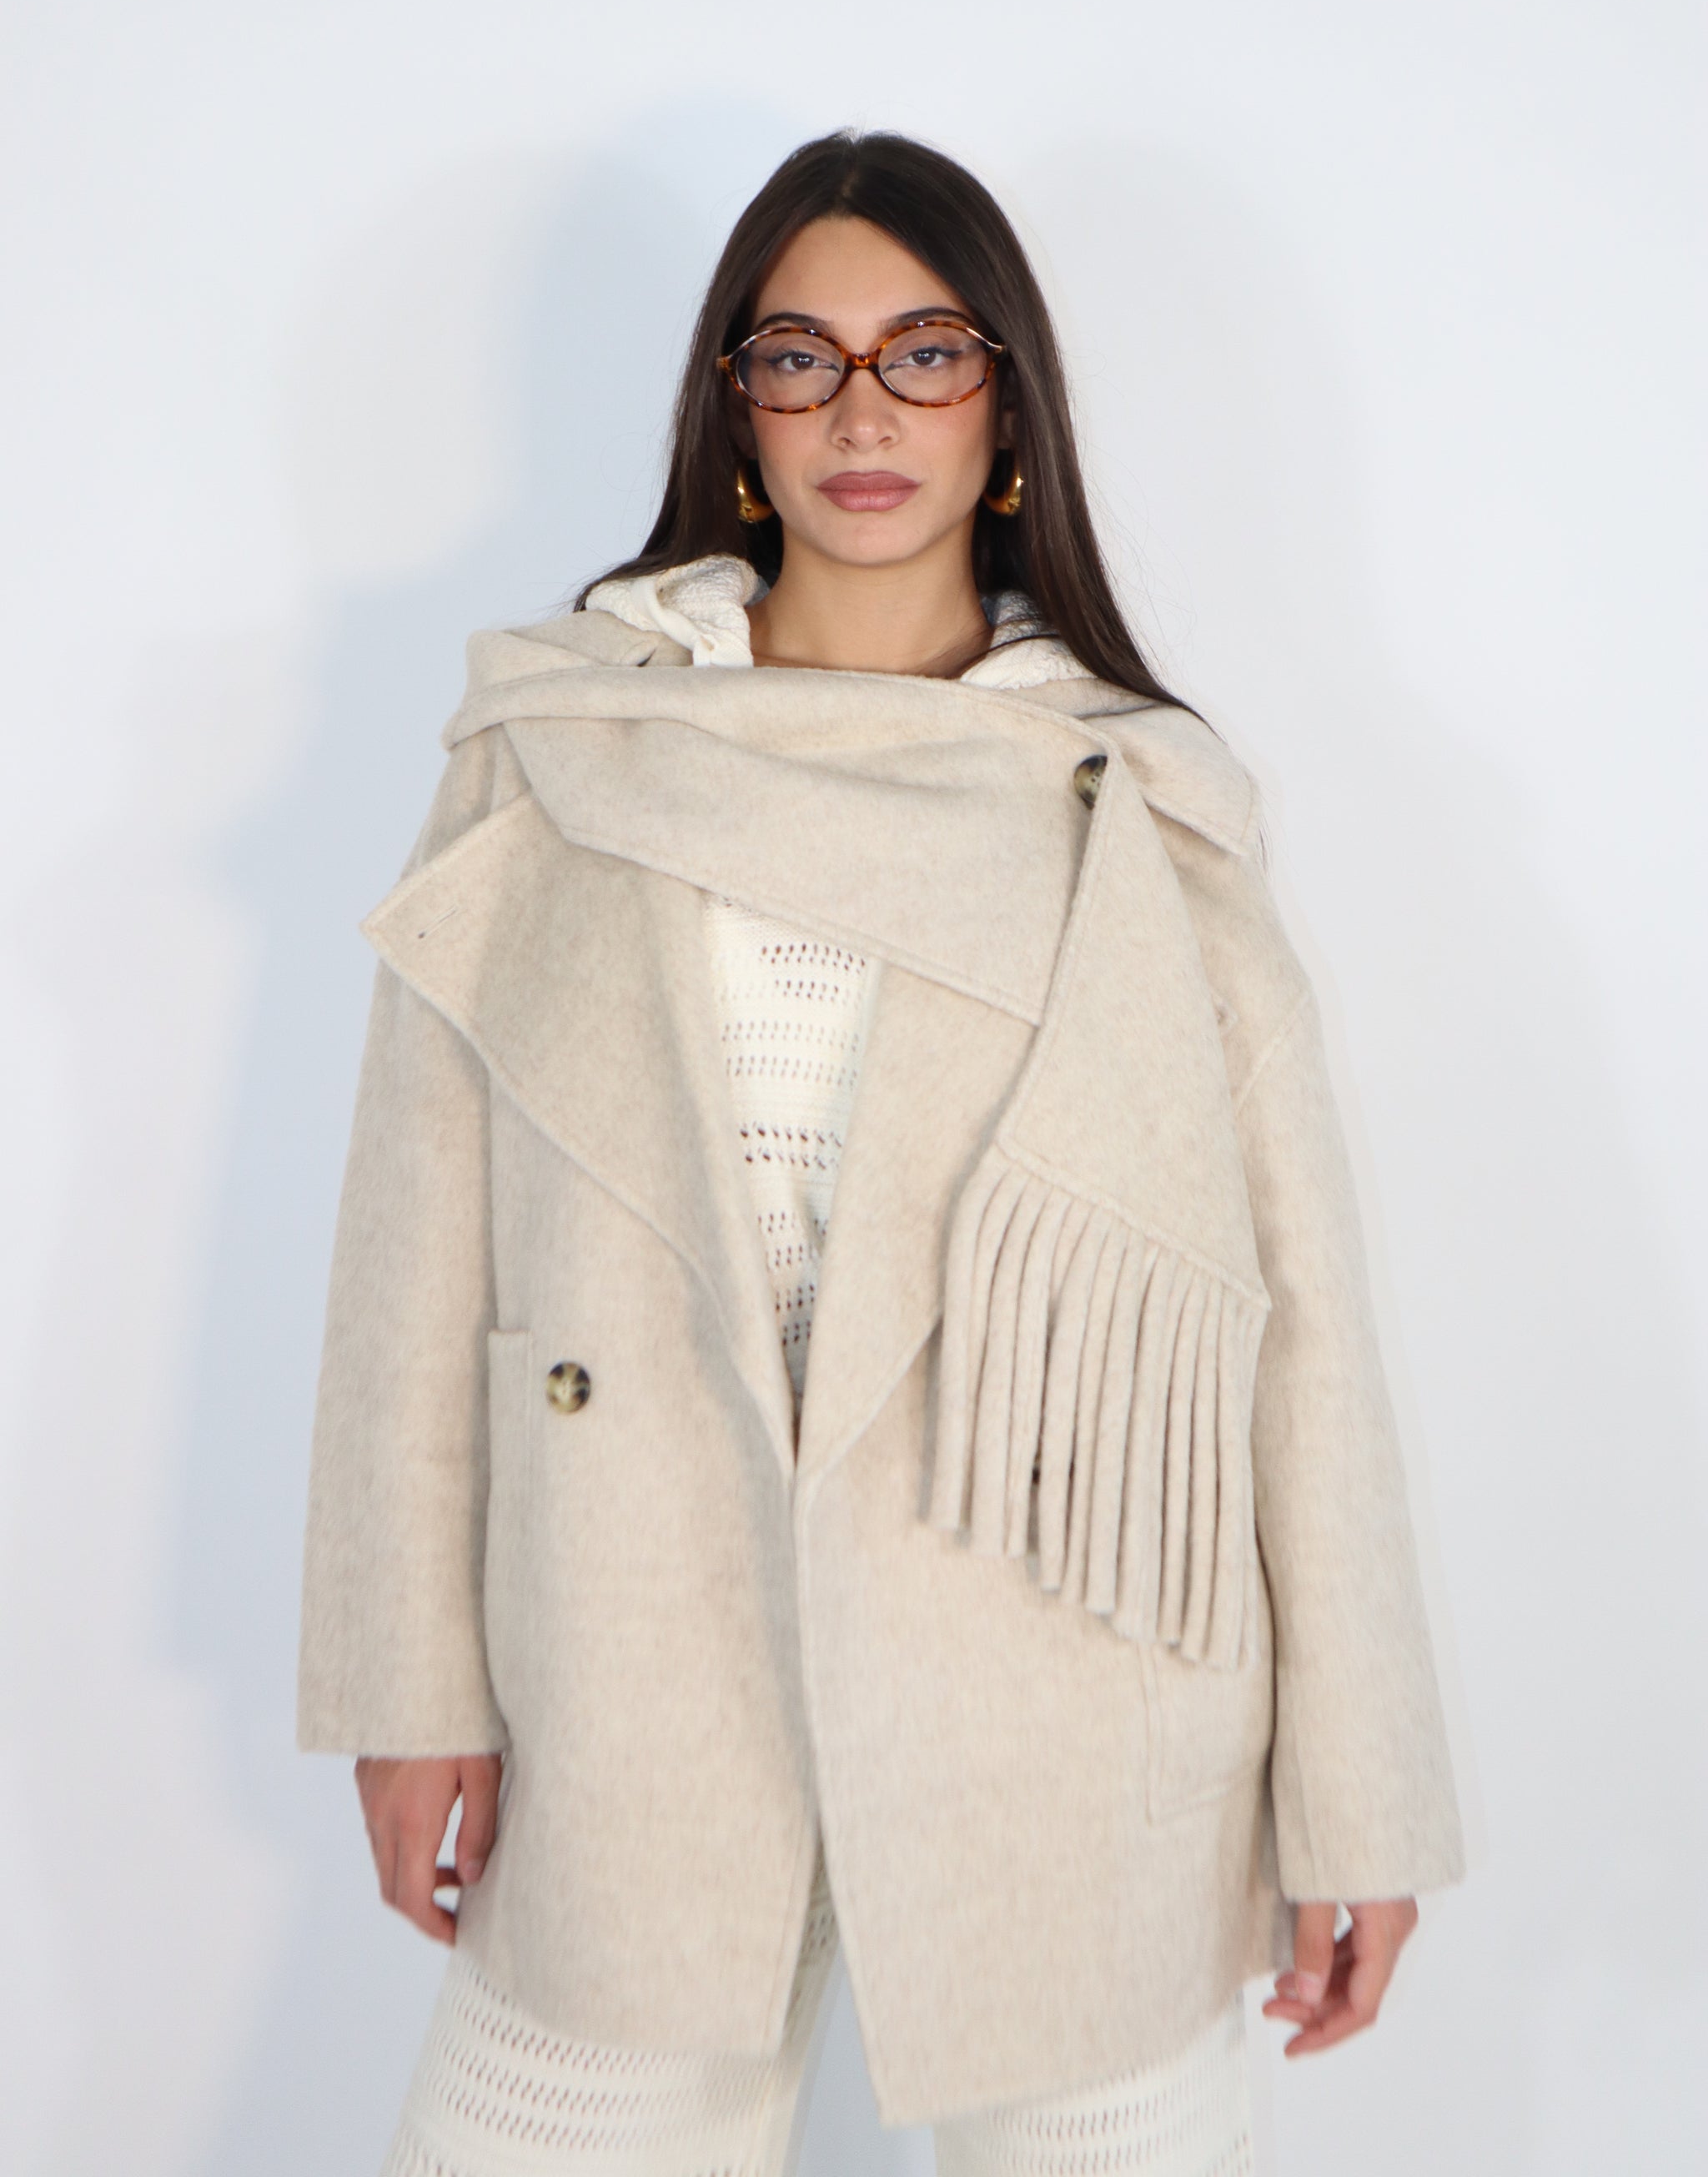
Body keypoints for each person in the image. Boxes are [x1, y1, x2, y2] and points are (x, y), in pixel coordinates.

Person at [298, 130, 1464, 2177]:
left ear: (1005, 408)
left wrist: (1355, 1796)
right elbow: (415, 1259)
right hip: (635, 1652)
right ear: (734, 410)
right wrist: (411, 1686)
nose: (862, 412)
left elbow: (1296, 1335)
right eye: (800, 357)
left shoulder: (1136, 810)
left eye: (925, 355)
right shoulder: (558, 754)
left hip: (1069, 1680)